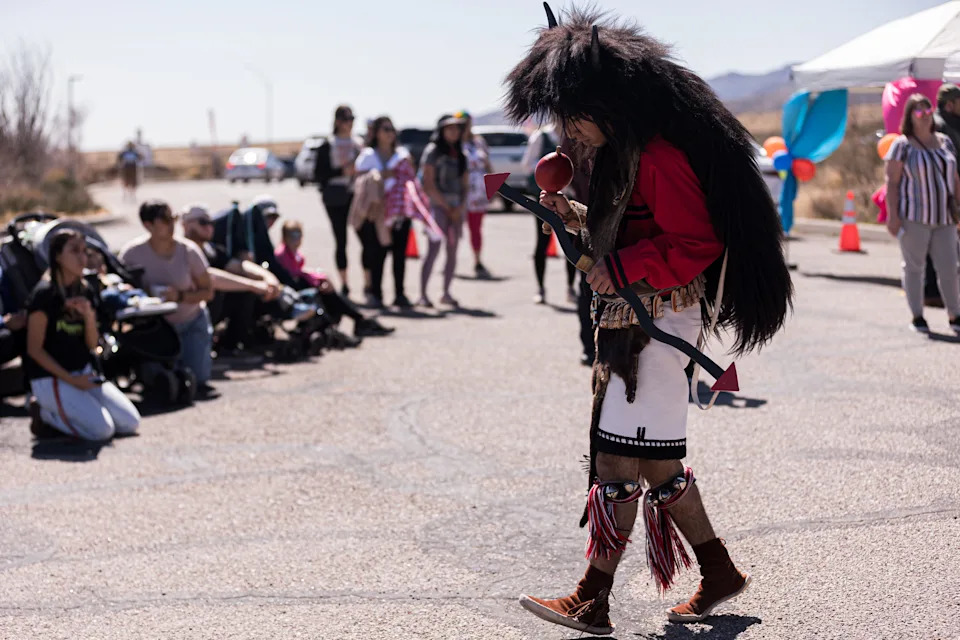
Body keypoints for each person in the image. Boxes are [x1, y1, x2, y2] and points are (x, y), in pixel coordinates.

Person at [503, 7, 792, 632]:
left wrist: (625, 263)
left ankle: (591, 597)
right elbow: (620, 231)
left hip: (662, 323)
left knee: (616, 459)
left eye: (571, 113)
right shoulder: (620, 154)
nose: (566, 128)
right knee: (654, 462)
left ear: (603, 103)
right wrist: (572, 216)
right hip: (629, 320)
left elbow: (697, 241)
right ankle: (717, 571)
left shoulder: (657, 156)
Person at [25, 230, 140, 441]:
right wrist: (72, 381)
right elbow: (34, 349)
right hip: (52, 378)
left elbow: (92, 344)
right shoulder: (44, 294)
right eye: (74, 251)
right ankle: (43, 412)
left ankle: (72, 408)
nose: (82, 258)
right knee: (102, 431)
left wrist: (88, 316)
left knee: (130, 422)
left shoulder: (85, 289)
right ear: (58, 256)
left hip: (84, 372)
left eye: (84, 251)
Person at [120, 201, 217, 397]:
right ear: (148, 225)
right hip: (155, 328)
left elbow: (208, 292)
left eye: (173, 218)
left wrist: (180, 296)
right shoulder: (131, 254)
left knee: (198, 381)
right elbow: (120, 289)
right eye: (165, 220)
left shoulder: (188, 251)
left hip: (190, 322)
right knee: (156, 380)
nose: (172, 224)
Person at [885, 93, 960, 334]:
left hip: (945, 218)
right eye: (919, 112)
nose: (925, 116)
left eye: (928, 111)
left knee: (949, 267)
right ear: (910, 116)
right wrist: (893, 215)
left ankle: (955, 315)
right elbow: (892, 182)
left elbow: (955, 178)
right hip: (914, 217)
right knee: (914, 268)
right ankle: (917, 315)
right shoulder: (902, 145)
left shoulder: (944, 142)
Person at [180, 204, 281, 355]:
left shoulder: (211, 249)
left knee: (244, 293)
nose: (209, 227)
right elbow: (210, 277)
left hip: (211, 308)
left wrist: (268, 278)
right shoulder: (181, 250)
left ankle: (232, 343)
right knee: (220, 292)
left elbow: (238, 266)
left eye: (211, 223)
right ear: (186, 225)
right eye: (203, 223)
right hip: (187, 309)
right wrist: (253, 285)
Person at [275, 219, 394, 338]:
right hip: (292, 291)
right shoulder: (282, 254)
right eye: (293, 235)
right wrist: (317, 282)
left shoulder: (293, 253)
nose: (297, 239)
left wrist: (319, 278)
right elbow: (293, 275)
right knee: (331, 295)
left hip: (302, 285)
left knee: (332, 294)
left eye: (299, 234)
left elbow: (301, 273)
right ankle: (359, 320)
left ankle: (359, 320)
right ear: (285, 236)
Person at [419, 114, 469, 307]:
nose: (454, 132)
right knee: (433, 250)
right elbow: (428, 184)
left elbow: (465, 184)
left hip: (456, 207)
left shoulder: (460, 153)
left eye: (457, 128)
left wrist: (460, 206)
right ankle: (423, 294)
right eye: (450, 128)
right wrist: (446, 207)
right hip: (437, 206)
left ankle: (446, 292)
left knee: (452, 250)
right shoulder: (433, 152)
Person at [314, 105, 363, 296]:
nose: (349, 124)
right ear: (337, 122)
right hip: (335, 194)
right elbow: (319, 174)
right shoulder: (328, 144)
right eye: (346, 120)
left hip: (357, 193)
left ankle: (369, 283)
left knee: (366, 237)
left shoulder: (358, 144)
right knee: (341, 239)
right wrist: (341, 171)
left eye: (352, 120)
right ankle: (345, 283)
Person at [459, 111, 494, 279]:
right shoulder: (455, 143)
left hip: (477, 189)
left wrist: (494, 187)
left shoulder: (478, 142)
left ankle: (477, 259)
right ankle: (450, 259)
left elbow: (487, 164)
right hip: (459, 189)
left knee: (475, 227)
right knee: (454, 227)